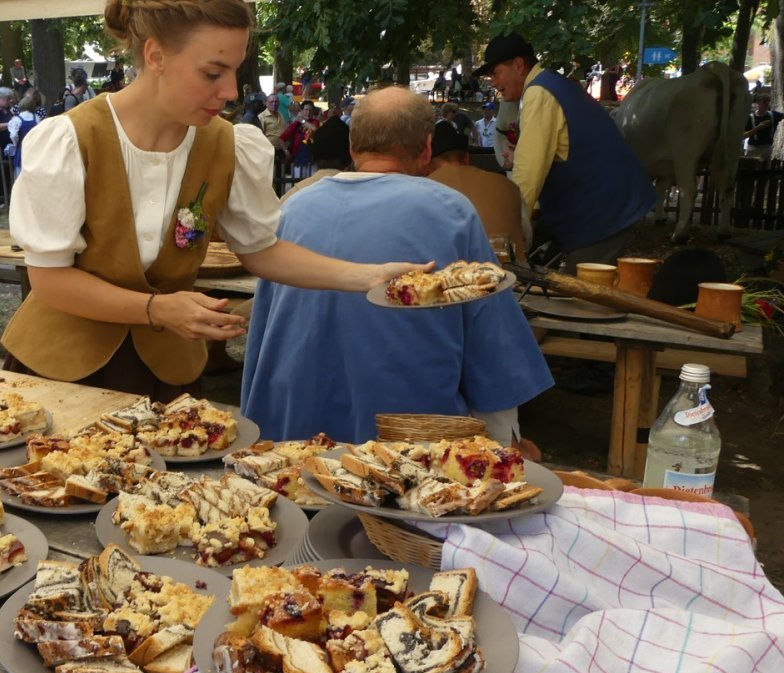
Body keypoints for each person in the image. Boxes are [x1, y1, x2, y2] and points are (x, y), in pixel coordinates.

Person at [1, 0, 428, 400]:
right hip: (60, 372)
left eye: (234, 72)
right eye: (212, 73)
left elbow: (262, 249)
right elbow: (49, 280)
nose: (230, 91)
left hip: (167, 373)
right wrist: (156, 308)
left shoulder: (228, 144)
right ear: (156, 56)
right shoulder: (69, 138)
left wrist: (368, 276)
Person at [242, 87, 552, 443]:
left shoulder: (292, 208)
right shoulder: (450, 211)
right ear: (427, 149)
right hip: (408, 446)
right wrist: (504, 441)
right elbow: (491, 344)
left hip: (290, 437)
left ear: (352, 147)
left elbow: (263, 337)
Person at [474, 31, 655, 272]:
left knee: (581, 289)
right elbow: (554, 151)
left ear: (518, 65)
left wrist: (506, 233)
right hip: (604, 205)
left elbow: (528, 175)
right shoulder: (550, 84)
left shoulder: (539, 93)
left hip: (603, 211)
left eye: (495, 73)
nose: (493, 83)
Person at [427, 122, 530, 259]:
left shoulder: (420, 192)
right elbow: (527, 238)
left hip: (447, 271)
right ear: (466, 157)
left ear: (426, 162)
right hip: (511, 270)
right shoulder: (508, 186)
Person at [7, 89, 43, 178]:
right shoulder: (36, 118)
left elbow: (13, 135)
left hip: (22, 149)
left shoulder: (16, 120)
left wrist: (16, 144)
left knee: (20, 175)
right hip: (34, 148)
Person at [744, 92, 782, 160]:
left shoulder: (773, 115)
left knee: (767, 166)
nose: (767, 104)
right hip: (753, 148)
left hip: (767, 148)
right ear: (758, 103)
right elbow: (743, 136)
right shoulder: (751, 118)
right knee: (750, 165)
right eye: (764, 101)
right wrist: (757, 128)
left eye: (768, 101)